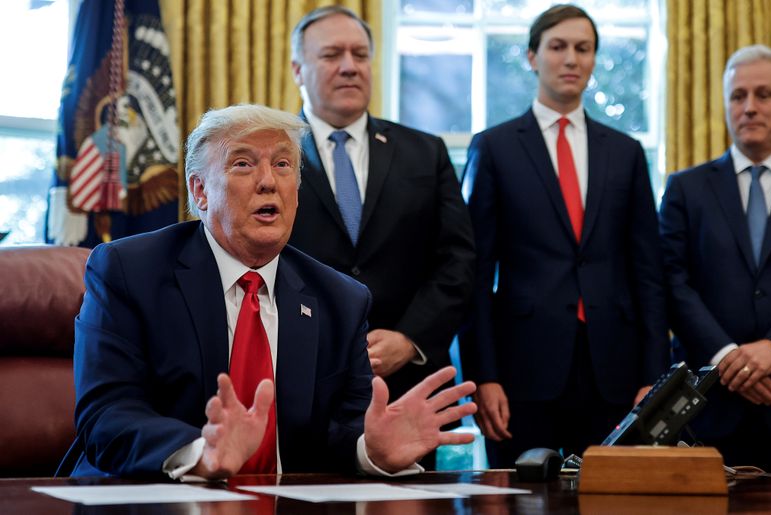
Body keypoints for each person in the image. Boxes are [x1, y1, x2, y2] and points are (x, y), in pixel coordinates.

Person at [60, 104, 476, 478]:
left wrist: (372, 451)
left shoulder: (341, 299)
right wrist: (201, 453)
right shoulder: (130, 271)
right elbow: (107, 415)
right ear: (200, 192)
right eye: (243, 164)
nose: (268, 182)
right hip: (149, 498)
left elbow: (341, 429)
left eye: (282, 166)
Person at [460, 4, 669, 467]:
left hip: (613, 368)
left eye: (583, 48)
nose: (571, 59)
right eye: (558, 47)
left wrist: (653, 377)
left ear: (594, 60)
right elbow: (474, 273)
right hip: (521, 371)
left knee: (610, 501)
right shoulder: (494, 147)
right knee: (520, 498)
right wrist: (483, 376)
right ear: (533, 57)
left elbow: (648, 273)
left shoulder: (626, 152)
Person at [287, 7, 476, 468]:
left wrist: (411, 339)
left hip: (409, 389)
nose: (349, 65)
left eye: (360, 54)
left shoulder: (423, 151)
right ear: (298, 70)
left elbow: (458, 260)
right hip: (302, 379)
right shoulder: (270, 151)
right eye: (331, 54)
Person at [660, 44, 771, 472]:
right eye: (738, 96)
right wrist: (727, 357)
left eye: (764, 94)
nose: (750, 108)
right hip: (708, 406)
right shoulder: (686, 188)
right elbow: (670, 280)